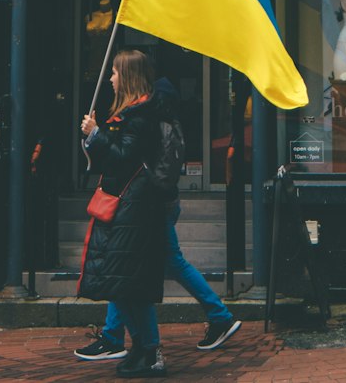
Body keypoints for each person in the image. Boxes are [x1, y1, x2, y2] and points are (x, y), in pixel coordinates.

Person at [76, 78, 241, 360]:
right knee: (127, 264)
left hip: (153, 207)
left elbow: (145, 167)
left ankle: (218, 316)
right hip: (158, 205)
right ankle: (114, 334)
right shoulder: (163, 120)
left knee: (137, 263)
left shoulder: (155, 123)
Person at [77, 49, 168, 378]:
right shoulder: (131, 114)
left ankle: (148, 350)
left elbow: (123, 157)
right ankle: (143, 348)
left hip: (132, 210)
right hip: (124, 207)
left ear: (127, 77)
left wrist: (96, 136)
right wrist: (95, 139)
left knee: (127, 284)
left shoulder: (139, 117)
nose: (111, 79)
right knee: (125, 284)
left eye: (115, 73)